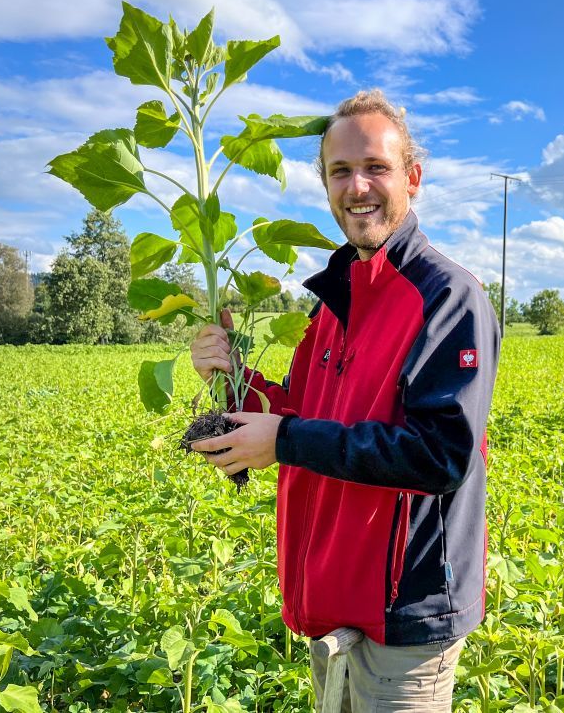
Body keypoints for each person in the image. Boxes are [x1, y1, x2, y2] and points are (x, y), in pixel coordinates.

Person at [189, 90, 500, 712]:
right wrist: (234, 380)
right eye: (341, 171)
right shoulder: (336, 300)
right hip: (337, 597)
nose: (358, 186)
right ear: (326, 185)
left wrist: (281, 441)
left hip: (404, 613)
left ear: (411, 177)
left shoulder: (446, 298)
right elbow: (304, 412)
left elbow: (440, 456)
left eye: (376, 168)